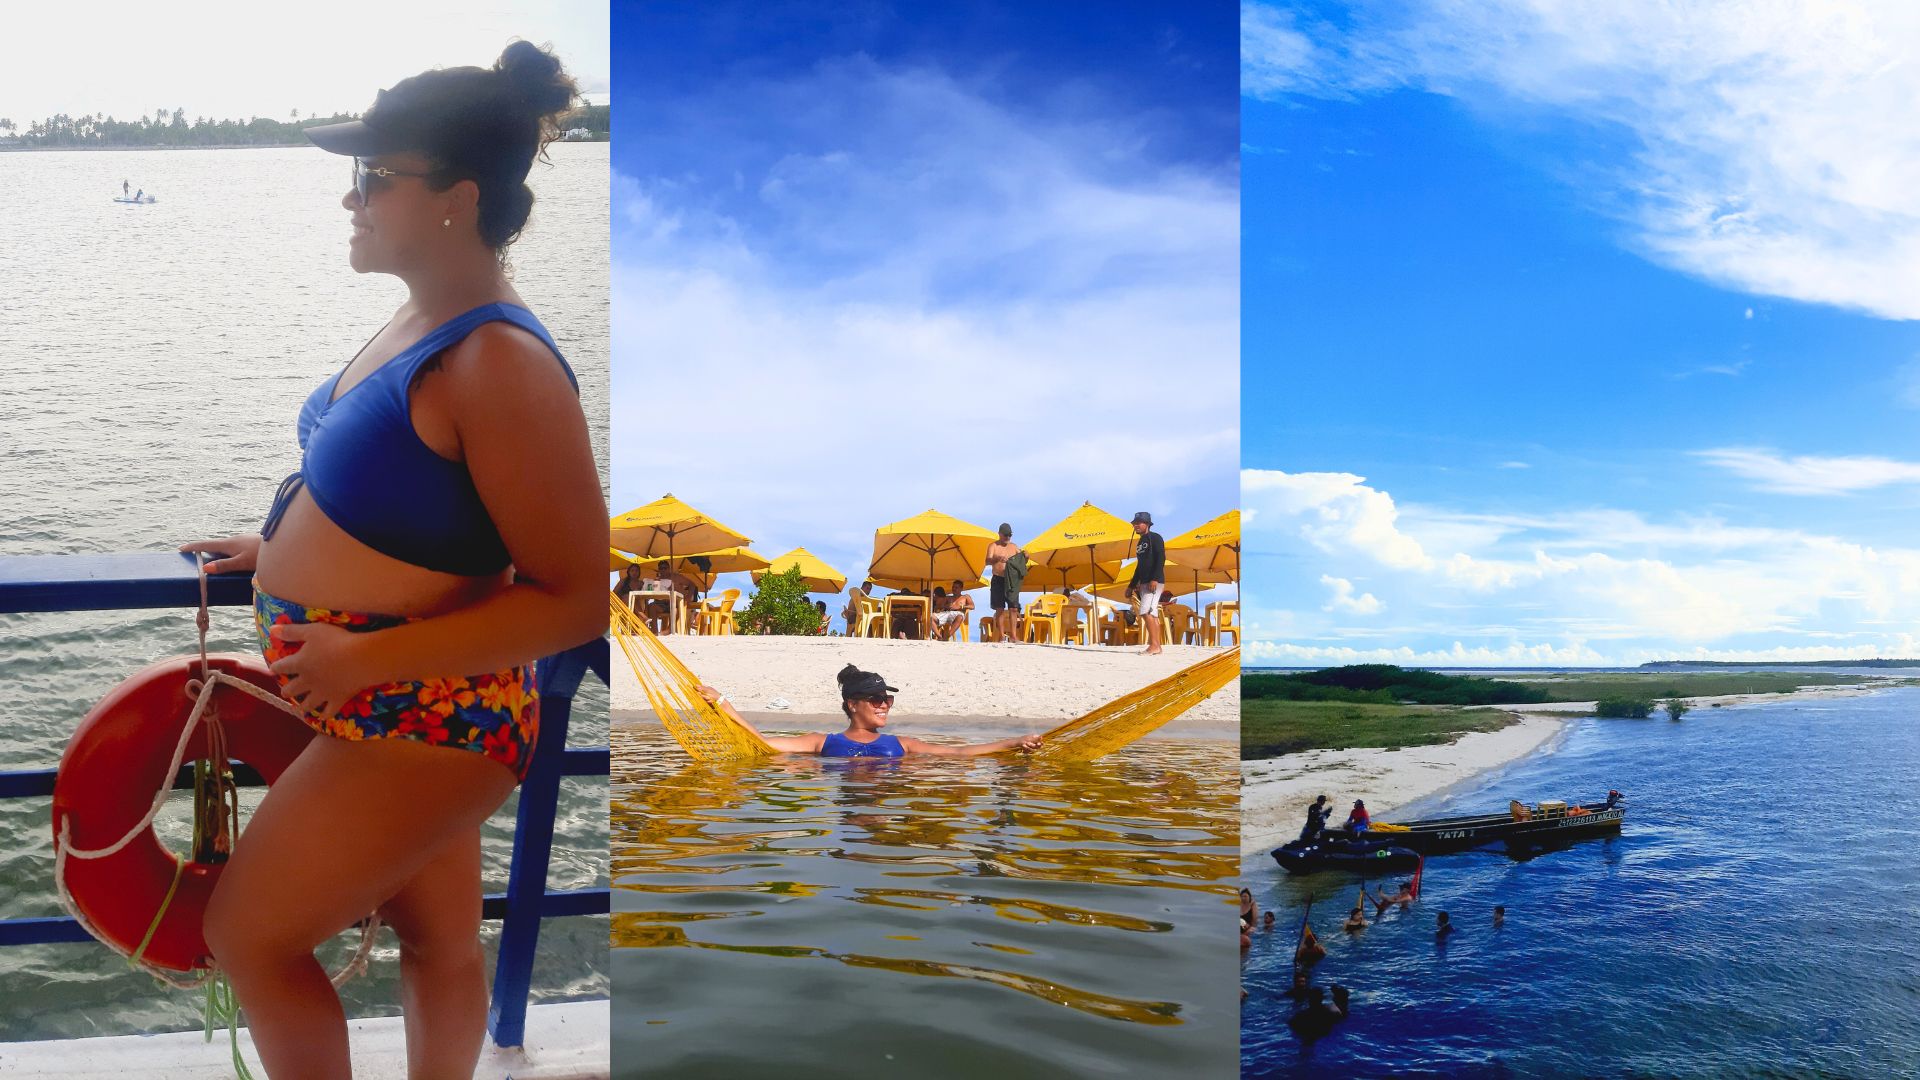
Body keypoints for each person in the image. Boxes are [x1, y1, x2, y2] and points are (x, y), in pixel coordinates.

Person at [176, 42, 600, 1079]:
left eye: (373, 178)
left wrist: (364, 660)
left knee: (249, 937)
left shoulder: (501, 362)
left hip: (422, 712)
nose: (349, 200)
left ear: (455, 198)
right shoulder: (422, 316)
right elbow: (399, 483)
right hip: (401, 704)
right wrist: (274, 546)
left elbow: (579, 599)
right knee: (438, 940)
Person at [696, 664, 1042, 757]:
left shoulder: (902, 744)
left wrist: (1013, 743)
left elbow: (959, 753)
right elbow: (762, 744)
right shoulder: (821, 742)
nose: (884, 705)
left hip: (885, 797)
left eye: (887, 699)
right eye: (876, 699)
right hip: (846, 805)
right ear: (853, 704)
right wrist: (721, 701)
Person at [1126, 511, 1166, 655]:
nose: (1135, 525)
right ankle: (1157, 646)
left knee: (1145, 612)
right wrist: (1132, 585)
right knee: (1152, 613)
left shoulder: (1155, 538)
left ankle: (1154, 645)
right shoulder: (1141, 542)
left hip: (1153, 581)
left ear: (1147, 524)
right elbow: (1140, 565)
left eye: (1138, 523)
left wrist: (1155, 578)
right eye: (1134, 523)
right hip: (1144, 582)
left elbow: (1161, 558)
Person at [985, 523, 1021, 643]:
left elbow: (1022, 561)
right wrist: (997, 558)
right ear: (1000, 534)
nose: (1007, 537)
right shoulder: (993, 546)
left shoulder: (1014, 547)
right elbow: (987, 561)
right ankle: (1001, 636)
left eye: (1009, 535)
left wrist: (1025, 555)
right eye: (1005, 535)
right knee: (999, 608)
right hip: (998, 579)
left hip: (1011, 580)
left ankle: (1013, 636)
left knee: (1014, 608)